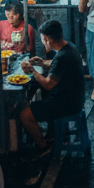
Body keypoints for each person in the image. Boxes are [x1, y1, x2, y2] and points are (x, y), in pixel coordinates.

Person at [17, 20, 86, 160]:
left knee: (25, 115)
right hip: (76, 98)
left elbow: (48, 84)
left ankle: (43, 147)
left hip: (67, 104)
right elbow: (57, 67)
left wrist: (32, 71)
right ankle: (51, 135)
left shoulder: (62, 57)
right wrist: (42, 63)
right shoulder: (69, 47)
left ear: (47, 40)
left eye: (43, 38)